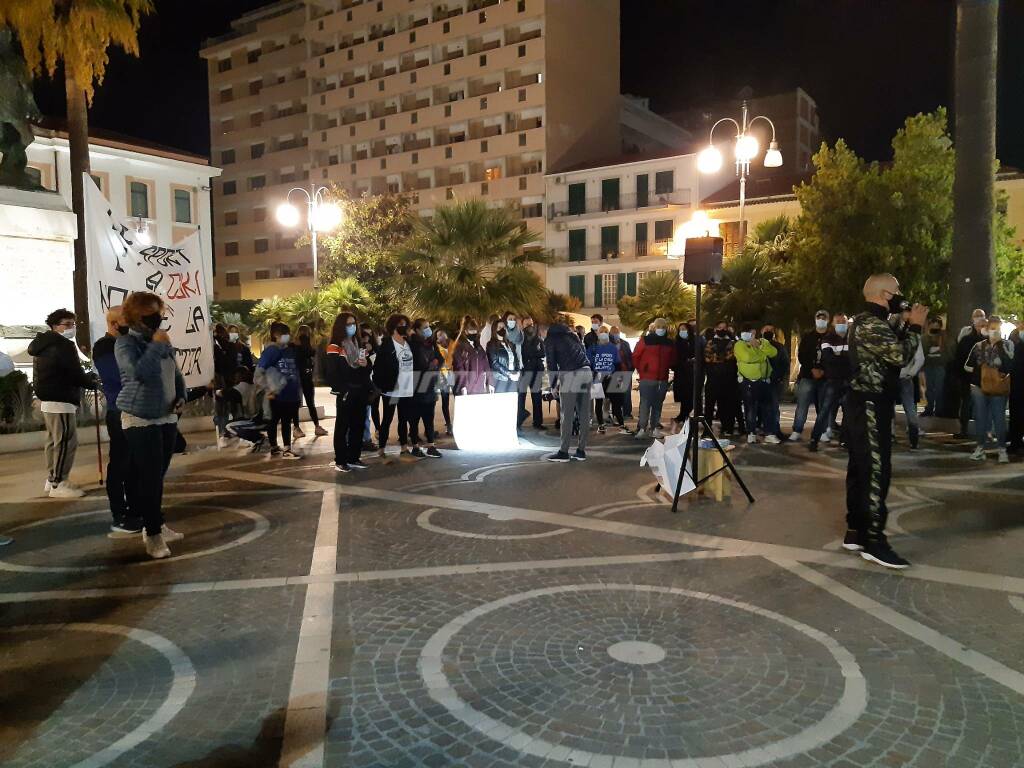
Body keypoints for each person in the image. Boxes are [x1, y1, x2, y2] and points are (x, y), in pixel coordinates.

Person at [844, 274, 926, 569]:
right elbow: (900, 355)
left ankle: (856, 530)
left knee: (861, 467)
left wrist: (904, 323)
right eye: (897, 291)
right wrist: (915, 324)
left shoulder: (868, 322)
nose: (901, 296)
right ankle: (874, 541)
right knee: (876, 471)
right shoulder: (870, 323)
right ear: (884, 294)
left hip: (865, 400)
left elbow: (891, 342)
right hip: (869, 403)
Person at [114, 292, 187, 559]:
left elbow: (175, 373)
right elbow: (137, 373)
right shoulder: (125, 343)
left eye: (158, 313)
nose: (156, 319)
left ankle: (155, 523)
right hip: (141, 418)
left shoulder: (161, 340)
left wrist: (182, 396)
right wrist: (156, 346)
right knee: (150, 477)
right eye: (149, 315)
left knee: (159, 474)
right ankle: (153, 535)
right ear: (135, 317)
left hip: (167, 416)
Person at [28, 307, 98, 499]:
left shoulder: (43, 344)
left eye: (73, 324)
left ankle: (52, 479)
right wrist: (90, 382)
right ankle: (59, 482)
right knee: (66, 442)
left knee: (54, 441)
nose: (72, 328)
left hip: (50, 399)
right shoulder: (62, 345)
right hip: (61, 399)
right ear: (54, 326)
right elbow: (73, 373)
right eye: (67, 324)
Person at [92, 306, 140, 535]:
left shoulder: (127, 344)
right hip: (118, 410)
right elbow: (118, 376)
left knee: (133, 464)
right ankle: (119, 514)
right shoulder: (104, 346)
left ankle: (134, 510)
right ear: (114, 324)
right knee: (120, 464)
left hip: (132, 409)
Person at [325, 312, 372, 472]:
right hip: (346, 392)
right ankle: (341, 460)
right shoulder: (335, 346)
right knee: (342, 426)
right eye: (348, 324)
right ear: (341, 326)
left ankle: (354, 457)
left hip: (360, 390)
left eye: (354, 323)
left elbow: (366, 369)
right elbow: (332, 372)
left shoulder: (357, 343)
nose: (352, 327)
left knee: (358, 425)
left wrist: (366, 364)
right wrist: (343, 389)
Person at [964, 315, 1014, 463]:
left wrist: (999, 346)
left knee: (999, 418)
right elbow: (967, 366)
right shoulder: (978, 346)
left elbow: (1009, 365)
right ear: (986, 329)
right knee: (981, 418)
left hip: (999, 387)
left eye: (997, 329)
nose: (994, 332)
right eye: (992, 329)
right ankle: (980, 448)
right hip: (979, 387)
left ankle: (1001, 449)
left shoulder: (1007, 345)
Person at [545, 319, 592, 462]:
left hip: (570, 374)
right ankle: (581, 451)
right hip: (586, 371)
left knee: (567, 414)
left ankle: (563, 452)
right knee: (584, 413)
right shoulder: (573, 335)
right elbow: (583, 352)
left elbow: (551, 363)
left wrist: (553, 385)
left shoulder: (551, 339)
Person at [372, 313, 416, 460]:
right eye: (400, 325)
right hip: (392, 390)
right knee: (388, 419)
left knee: (404, 418)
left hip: (407, 388)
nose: (404, 327)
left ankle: (404, 447)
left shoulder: (409, 343)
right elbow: (378, 368)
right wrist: (383, 385)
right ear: (393, 327)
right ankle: (381, 448)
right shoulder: (387, 345)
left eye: (405, 324)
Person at [257, 321, 303, 459]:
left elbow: (295, 370)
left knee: (286, 420)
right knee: (275, 420)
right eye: (285, 334)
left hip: (290, 392)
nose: (288, 337)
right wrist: (268, 389)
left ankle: (284, 447)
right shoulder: (271, 351)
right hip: (277, 393)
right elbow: (259, 372)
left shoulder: (290, 350)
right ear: (276, 335)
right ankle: (276, 446)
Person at [809, 314, 851, 451]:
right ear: (832, 323)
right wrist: (843, 358)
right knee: (825, 411)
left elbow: (854, 359)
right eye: (838, 321)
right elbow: (828, 358)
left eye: (843, 321)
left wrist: (839, 357)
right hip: (833, 381)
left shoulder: (852, 338)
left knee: (848, 412)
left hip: (849, 381)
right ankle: (814, 439)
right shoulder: (828, 338)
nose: (841, 323)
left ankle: (844, 440)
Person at [733, 324, 779, 444]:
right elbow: (747, 357)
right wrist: (762, 356)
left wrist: (760, 346)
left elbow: (773, 352)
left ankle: (769, 433)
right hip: (749, 380)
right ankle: (751, 433)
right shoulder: (739, 345)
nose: (750, 335)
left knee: (768, 408)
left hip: (764, 380)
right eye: (747, 332)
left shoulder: (762, 342)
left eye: (752, 333)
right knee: (751, 408)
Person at [632, 317, 677, 439]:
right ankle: (642, 428)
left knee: (657, 404)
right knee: (646, 404)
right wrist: (642, 371)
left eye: (663, 327)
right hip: (648, 378)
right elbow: (635, 356)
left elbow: (672, 359)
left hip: (661, 378)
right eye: (659, 327)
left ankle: (654, 428)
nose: (661, 329)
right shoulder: (645, 340)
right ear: (654, 327)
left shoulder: (669, 343)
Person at [789, 310, 830, 441]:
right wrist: (812, 368)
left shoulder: (831, 336)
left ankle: (822, 431)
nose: (821, 320)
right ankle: (797, 430)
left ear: (827, 320)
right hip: (808, 375)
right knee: (802, 404)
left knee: (823, 406)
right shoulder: (808, 337)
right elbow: (802, 355)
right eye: (819, 317)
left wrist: (823, 370)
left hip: (825, 377)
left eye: (824, 318)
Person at [408, 318, 444, 458]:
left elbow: (440, 359)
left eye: (429, 327)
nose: (428, 330)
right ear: (417, 330)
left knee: (429, 417)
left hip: (430, 384)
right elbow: (418, 364)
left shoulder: (431, 343)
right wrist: (430, 364)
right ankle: (415, 447)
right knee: (415, 418)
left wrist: (435, 362)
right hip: (417, 385)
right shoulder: (412, 345)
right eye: (424, 327)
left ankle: (431, 445)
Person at [952, 310, 988, 438]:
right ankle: (964, 430)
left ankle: (982, 431)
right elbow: (960, 358)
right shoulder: (967, 339)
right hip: (968, 377)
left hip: (984, 378)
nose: (980, 327)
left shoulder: (991, 340)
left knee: (980, 405)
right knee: (967, 403)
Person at [292, 324, 328, 439]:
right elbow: (309, 352)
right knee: (303, 402)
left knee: (306, 402)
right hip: (301, 376)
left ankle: (313, 426)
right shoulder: (299, 345)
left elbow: (311, 353)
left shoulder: (298, 345)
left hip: (304, 376)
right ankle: (299, 428)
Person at [586, 325, 621, 434]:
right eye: (601, 332)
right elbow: (588, 362)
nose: (603, 333)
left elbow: (617, 362)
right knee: (599, 401)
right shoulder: (593, 347)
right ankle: (601, 424)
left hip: (610, 377)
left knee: (613, 401)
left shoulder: (612, 347)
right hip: (597, 377)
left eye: (605, 331)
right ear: (598, 334)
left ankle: (619, 422)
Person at [703, 321, 736, 437]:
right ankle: (707, 429)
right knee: (709, 406)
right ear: (716, 328)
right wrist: (722, 359)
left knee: (726, 405)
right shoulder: (710, 342)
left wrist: (717, 358)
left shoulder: (732, 343)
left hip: (727, 379)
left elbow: (731, 357)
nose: (721, 329)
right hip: (713, 379)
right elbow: (708, 358)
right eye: (719, 327)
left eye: (724, 327)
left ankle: (727, 428)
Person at [896, 318, 925, 449]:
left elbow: (920, 359)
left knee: (888, 408)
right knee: (910, 409)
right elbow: (920, 359)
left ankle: (889, 435)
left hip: (894, 378)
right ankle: (914, 440)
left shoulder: (892, 336)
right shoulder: (914, 340)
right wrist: (911, 373)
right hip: (905, 377)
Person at [760, 323, 789, 441]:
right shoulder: (757, 345)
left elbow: (784, 364)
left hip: (773, 380)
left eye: (771, 330)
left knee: (773, 407)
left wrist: (777, 377)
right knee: (763, 407)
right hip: (759, 380)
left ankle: (774, 430)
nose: (768, 331)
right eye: (766, 329)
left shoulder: (779, 347)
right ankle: (766, 430)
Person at [519, 314, 546, 430]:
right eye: (527, 324)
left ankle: (538, 422)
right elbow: (523, 354)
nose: (530, 326)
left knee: (537, 397)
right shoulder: (520, 338)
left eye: (531, 324)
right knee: (521, 397)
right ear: (522, 325)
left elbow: (543, 353)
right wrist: (534, 353)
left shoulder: (538, 337)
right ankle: (518, 422)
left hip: (536, 371)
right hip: (524, 371)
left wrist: (532, 354)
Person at [452, 316, 490, 396]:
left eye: (475, 330)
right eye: (471, 330)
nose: (473, 333)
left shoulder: (478, 346)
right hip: (467, 388)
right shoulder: (459, 346)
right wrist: (463, 386)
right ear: (465, 331)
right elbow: (459, 367)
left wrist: (490, 382)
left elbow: (486, 364)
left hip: (479, 386)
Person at [486, 317, 522, 394]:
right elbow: (494, 363)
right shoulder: (491, 344)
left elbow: (516, 359)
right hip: (500, 379)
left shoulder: (510, 344)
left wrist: (518, 371)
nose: (502, 329)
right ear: (495, 330)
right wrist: (509, 373)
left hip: (513, 378)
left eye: (504, 327)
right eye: (500, 327)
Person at [920, 318, 947, 418]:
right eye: (933, 327)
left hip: (940, 366)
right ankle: (929, 408)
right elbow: (922, 352)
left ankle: (939, 409)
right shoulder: (924, 338)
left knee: (940, 388)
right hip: (928, 366)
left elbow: (948, 351)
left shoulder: (944, 337)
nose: (935, 330)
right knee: (929, 389)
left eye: (937, 328)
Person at [671, 321, 694, 428]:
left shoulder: (693, 341)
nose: (682, 332)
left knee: (690, 395)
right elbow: (674, 358)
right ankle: (683, 415)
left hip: (691, 373)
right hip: (680, 373)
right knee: (683, 396)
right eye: (680, 330)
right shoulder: (677, 342)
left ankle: (686, 415)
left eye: (684, 329)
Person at [609, 326, 634, 423]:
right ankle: (617, 413)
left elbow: (630, 357)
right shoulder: (609, 344)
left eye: (617, 332)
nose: (616, 334)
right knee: (617, 395)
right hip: (615, 372)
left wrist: (631, 368)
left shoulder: (625, 343)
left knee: (627, 394)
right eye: (613, 332)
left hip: (626, 371)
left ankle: (627, 413)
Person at [1008, 321, 1024, 453]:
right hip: (1017, 383)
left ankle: (1017, 441)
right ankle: (1015, 441)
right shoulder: (1014, 337)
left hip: (1017, 382)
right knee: (1016, 414)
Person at [435, 328, 454, 434]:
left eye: (442, 334)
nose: (441, 336)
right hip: (443, 376)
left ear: (446, 335)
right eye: (439, 335)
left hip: (454, 374)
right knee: (445, 401)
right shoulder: (436, 347)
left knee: (459, 398)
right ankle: (448, 424)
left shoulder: (452, 343)